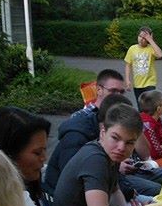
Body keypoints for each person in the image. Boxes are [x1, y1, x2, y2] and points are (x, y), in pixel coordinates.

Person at [51, 104, 147, 206]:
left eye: (129, 143)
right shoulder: (95, 160)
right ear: (103, 132)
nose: (121, 148)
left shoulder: (110, 154)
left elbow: (115, 190)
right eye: (115, 138)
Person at [43, 68, 126, 196]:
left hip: (108, 178)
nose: (118, 96)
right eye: (113, 91)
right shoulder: (79, 126)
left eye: (122, 92)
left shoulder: (114, 116)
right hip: (76, 196)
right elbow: (75, 179)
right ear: (98, 89)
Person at [124, 26, 162, 109]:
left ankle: (151, 121)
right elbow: (128, 65)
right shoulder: (132, 49)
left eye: (145, 38)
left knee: (150, 107)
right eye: (140, 36)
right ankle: (144, 121)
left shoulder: (151, 49)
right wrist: (127, 80)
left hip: (149, 84)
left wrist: (150, 40)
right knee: (141, 108)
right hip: (137, 84)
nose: (142, 39)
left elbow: (160, 55)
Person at [138, 89, 162, 164]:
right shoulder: (148, 125)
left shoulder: (156, 120)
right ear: (158, 109)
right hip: (151, 163)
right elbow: (155, 153)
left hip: (157, 158)